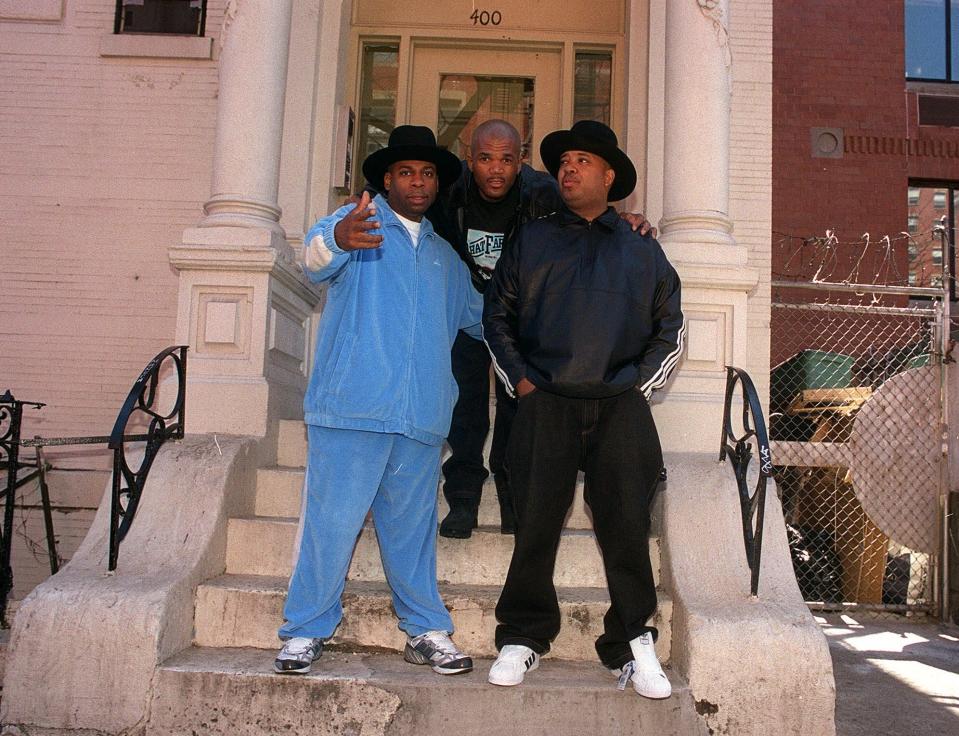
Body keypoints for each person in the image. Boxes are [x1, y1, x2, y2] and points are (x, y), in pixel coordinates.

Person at [483, 120, 685, 699]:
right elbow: (496, 316)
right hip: (544, 404)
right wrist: (522, 382)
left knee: (625, 528)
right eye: (563, 161)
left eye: (582, 161)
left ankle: (631, 644)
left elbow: (670, 326)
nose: (568, 170)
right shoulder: (534, 238)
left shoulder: (643, 247)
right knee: (536, 524)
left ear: (609, 175)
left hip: (620, 408)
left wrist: (637, 389)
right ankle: (522, 636)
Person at [273, 126, 482, 677]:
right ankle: (304, 629)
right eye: (407, 171)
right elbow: (312, 262)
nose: (419, 181)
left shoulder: (446, 260)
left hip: (420, 418)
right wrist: (339, 237)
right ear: (387, 180)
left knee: (412, 534)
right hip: (352, 408)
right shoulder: (355, 226)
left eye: (429, 172)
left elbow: (486, 321)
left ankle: (424, 630)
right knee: (332, 524)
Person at [434, 119, 654, 539]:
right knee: (465, 408)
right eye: (484, 159)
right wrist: (367, 195)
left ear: (521, 161)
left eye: (506, 159)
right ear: (470, 160)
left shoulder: (543, 192)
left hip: (517, 318)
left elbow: (589, 206)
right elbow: (406, 192)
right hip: (465, 312)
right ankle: (463, 498)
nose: (495, 169)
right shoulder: (450, 189)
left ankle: (513, 501)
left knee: (518, 413)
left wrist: (629, 219)